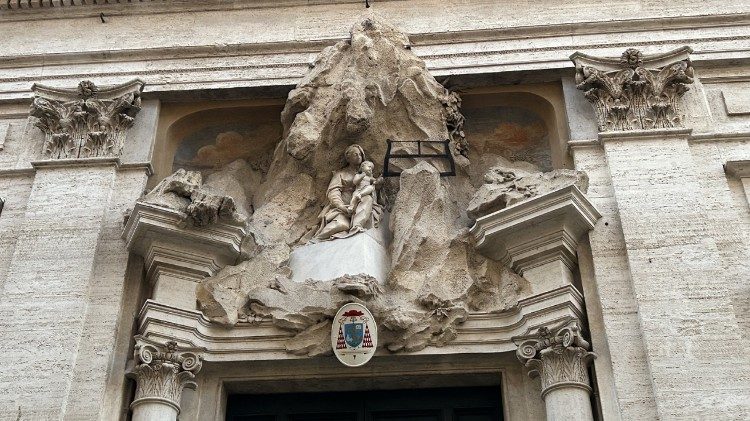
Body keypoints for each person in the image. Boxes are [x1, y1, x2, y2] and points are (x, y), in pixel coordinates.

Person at [310, 144, 383, 242]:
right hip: (344, 208)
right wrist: (341, 206)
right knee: (341, 224)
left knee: (367, 199)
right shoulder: (340, 174)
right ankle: (315, 240)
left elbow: (374, 187)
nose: (358, 156)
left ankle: (357, 226)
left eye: (360, 154)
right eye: (355, 154)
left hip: (361, 204)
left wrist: (378, 183)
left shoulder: (367, 174)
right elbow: (333, 192)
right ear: (348, 158)